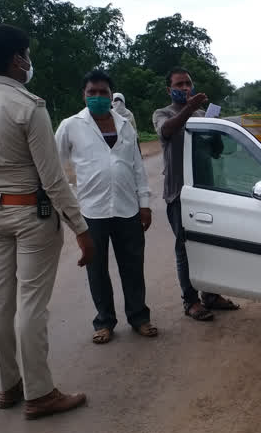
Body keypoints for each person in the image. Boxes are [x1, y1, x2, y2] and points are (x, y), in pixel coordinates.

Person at [0, 24, 94, 420]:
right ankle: (40, 393)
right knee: (31, 304)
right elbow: (52, 178)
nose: (29, 61)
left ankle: (8, 386)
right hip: (32, 213)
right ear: (18, 58)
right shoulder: (28, 105)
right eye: (27, 54)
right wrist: (81, 229)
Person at [55, 70, 158, 344]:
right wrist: (69, 200)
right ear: (84, 95)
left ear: (111, 96)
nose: (98, 97)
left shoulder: (125, 125)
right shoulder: (71, 125)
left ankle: (139, 317)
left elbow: (137, 167)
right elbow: (53, 165)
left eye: (103, 93)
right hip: (91, 211)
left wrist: (144, 204)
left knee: (133, 266)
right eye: (92, 93)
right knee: (96, 269)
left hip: (128, 209)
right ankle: (104, 321)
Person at [152, 67, 240, 321]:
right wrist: (189, 109)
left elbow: (215, 152)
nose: (185, 88)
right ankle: (190, 301)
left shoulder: (203, 115)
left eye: (188, 83)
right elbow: (166, 131)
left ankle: (210, 295)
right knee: (184, 248)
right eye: (179, 85)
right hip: (179, 194)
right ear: (169, 90)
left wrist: (217, 132)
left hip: (206, 191)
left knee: (210, 246)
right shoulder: (163, 114)